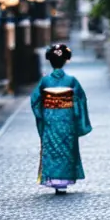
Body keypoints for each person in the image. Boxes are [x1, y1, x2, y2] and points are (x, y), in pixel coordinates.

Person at [30, 43, 92, 193]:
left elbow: (35, 100)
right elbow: (80, 99)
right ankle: (64, 180)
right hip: (67, 119)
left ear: (50, 61)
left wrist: (43, 115)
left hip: (50, 119)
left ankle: (54, 179)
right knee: (66, 148)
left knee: (52, 149)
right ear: (65, 61)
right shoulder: (71, 81)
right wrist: (75, 113)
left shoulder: (45, 81)